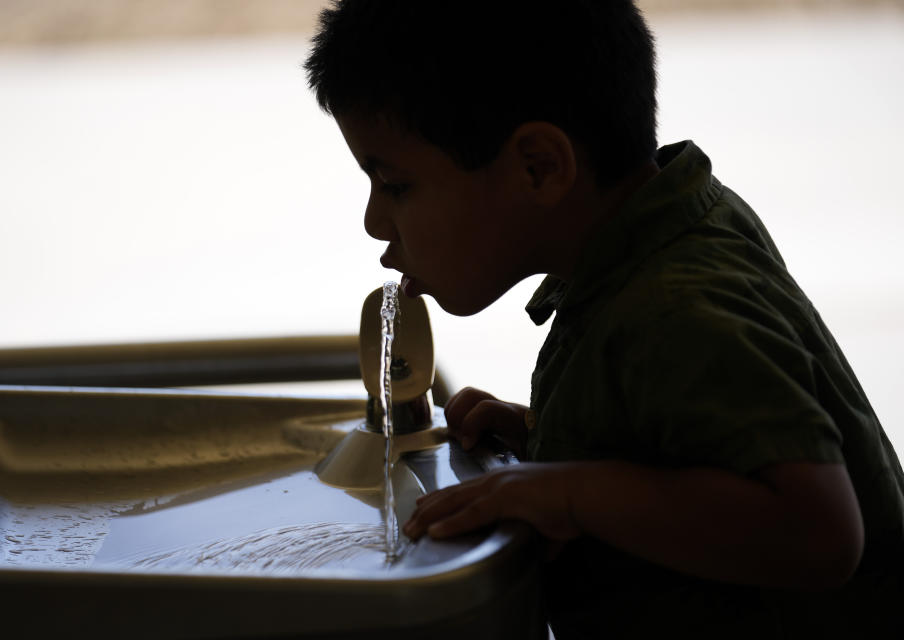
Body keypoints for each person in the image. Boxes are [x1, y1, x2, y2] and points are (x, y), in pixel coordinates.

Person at [305, 1, 903, 636]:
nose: (374, 221)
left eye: (395, 186)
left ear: (539, 166)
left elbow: (819, 531)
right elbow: (694, 453)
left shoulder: (678, 304)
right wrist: (557, 439)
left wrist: (570, 493)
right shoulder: (657, 234)